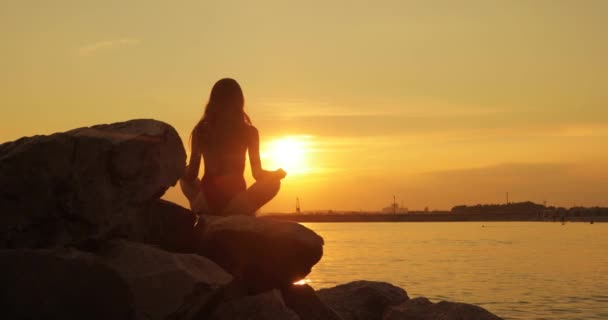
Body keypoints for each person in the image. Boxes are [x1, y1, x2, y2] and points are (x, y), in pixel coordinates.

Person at [180, 78, 286, 216]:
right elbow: (257, 174)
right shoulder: (250, 132)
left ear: (213, 102)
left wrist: (181, 171)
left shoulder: (201, 130)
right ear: (239, 102)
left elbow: (191, 175)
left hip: (207, 203)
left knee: (184, 172)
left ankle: (199, 208)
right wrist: (275, 175)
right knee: (274, 183)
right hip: (237, 204)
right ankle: (236, 212)